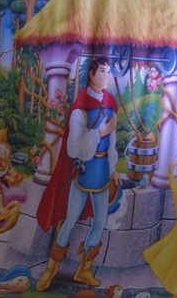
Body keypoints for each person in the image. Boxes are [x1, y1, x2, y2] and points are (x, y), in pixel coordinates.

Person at [35, 56, 119, 290]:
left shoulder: (110, 105)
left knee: (100, 221)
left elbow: (112, 143)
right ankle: (50, 270)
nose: (106, 76)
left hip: (102, 170)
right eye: (102, 71)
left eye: (108, 72)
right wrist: (99, 132)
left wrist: (113, 169)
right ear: (91, 74)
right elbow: (73, 148)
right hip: (83, 170)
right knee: (70, 219)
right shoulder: (80, 109)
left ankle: (84, 270)